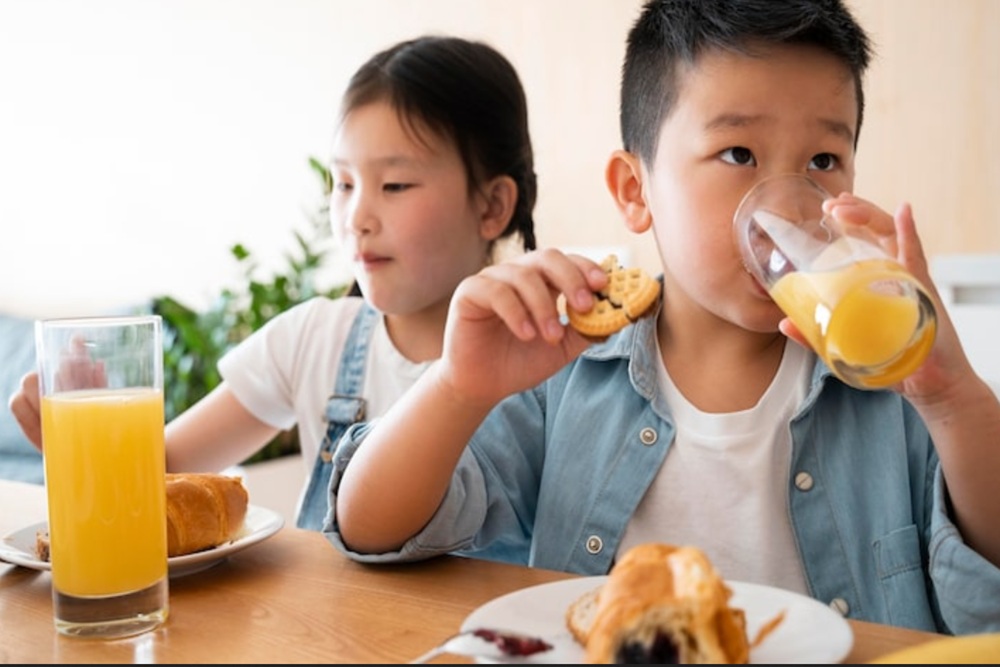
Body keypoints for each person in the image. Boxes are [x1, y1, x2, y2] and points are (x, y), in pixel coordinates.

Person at [323, 0, 1000, 635]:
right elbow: (370, 527)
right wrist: (455, 388)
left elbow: (984, 596)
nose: (789, 206)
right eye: (738, 155)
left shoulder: (889, 376)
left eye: (824, 160)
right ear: (635, 190)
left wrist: (953, 399)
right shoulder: (566, 365)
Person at [6, 35, 538, 530]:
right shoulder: (313, 339)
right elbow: (157, 469)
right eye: (343, 183)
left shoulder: (545, 363)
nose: (356, 217)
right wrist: (85, 436)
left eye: (394, 184)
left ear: (492, 206)